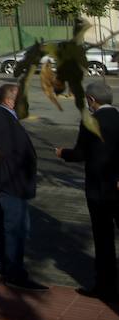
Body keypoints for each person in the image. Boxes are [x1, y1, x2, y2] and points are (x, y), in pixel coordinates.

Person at [0, 82, 47, 292]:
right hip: (10, 182)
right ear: (9, 101)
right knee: (15, 228)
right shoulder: (4, 121)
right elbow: (0, 151)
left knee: (0, 224)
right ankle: (14, 272)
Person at [56, 80, 119, 301]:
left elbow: (80, 153)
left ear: (92, 100)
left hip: (99, 190)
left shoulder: (90, 121)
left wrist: (63, 153)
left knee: (103, 239)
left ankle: (105, 285)